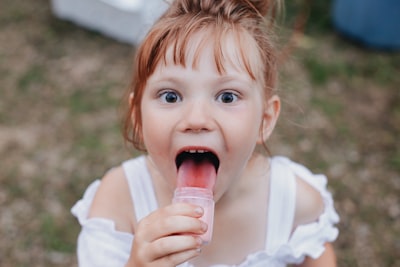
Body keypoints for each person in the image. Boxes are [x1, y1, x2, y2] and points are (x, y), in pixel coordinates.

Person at [71, 0, 340, 266]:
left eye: (226, 97)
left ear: (264, 120)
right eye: (171, 95)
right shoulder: (119, 202)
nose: (196, 120)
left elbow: (318, 255)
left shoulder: (294, 203)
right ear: (138, 117)